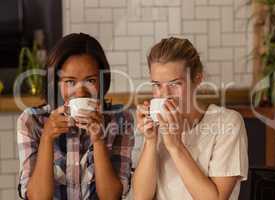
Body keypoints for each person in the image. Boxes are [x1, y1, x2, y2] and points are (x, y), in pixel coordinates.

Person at [17, 33, 134, 200]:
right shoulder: (31, 121)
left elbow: (112, 197)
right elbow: (37, 197)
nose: (80, 92)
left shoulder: (120, 119)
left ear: (102, 80)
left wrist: (99, 140)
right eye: (70, 81)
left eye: (90, 81)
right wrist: (47, 138)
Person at [133, 37, 248, 200]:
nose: (164, 95)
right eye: (157, 85)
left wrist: (176, 146)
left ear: (197, 79)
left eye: (174, 84)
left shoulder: (228, 123)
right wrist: (150, 142)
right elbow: (141, 197)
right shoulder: (157, 123)